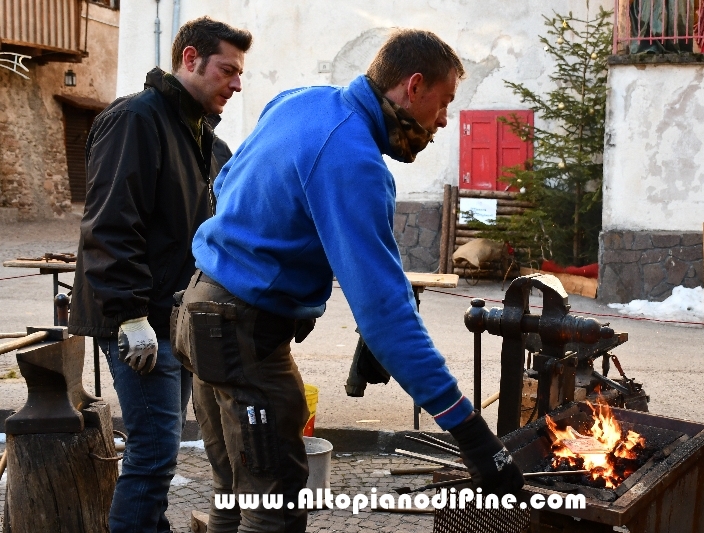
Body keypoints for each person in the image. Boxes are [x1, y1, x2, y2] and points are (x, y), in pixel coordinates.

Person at [174, 28, 523, 532]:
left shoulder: (300, 101)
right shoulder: (354, 159)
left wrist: (283, 275)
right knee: (273, 510)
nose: (444, 121)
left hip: (199, 309)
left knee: (232, 496)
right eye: (445, 103)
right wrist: (470, 434)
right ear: (413, 86)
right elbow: (386, 316)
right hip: (242, 335)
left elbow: (228, 184)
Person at [68, 17, 252, 533]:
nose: (236, 84)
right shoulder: (135, 119)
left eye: (240, 74)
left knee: (159, 455)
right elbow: (109, 224)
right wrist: (130, 316)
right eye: (227, 70)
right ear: (190, 59)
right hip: (139, 321)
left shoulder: (207, 142)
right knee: (151, 456)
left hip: (179, 320)